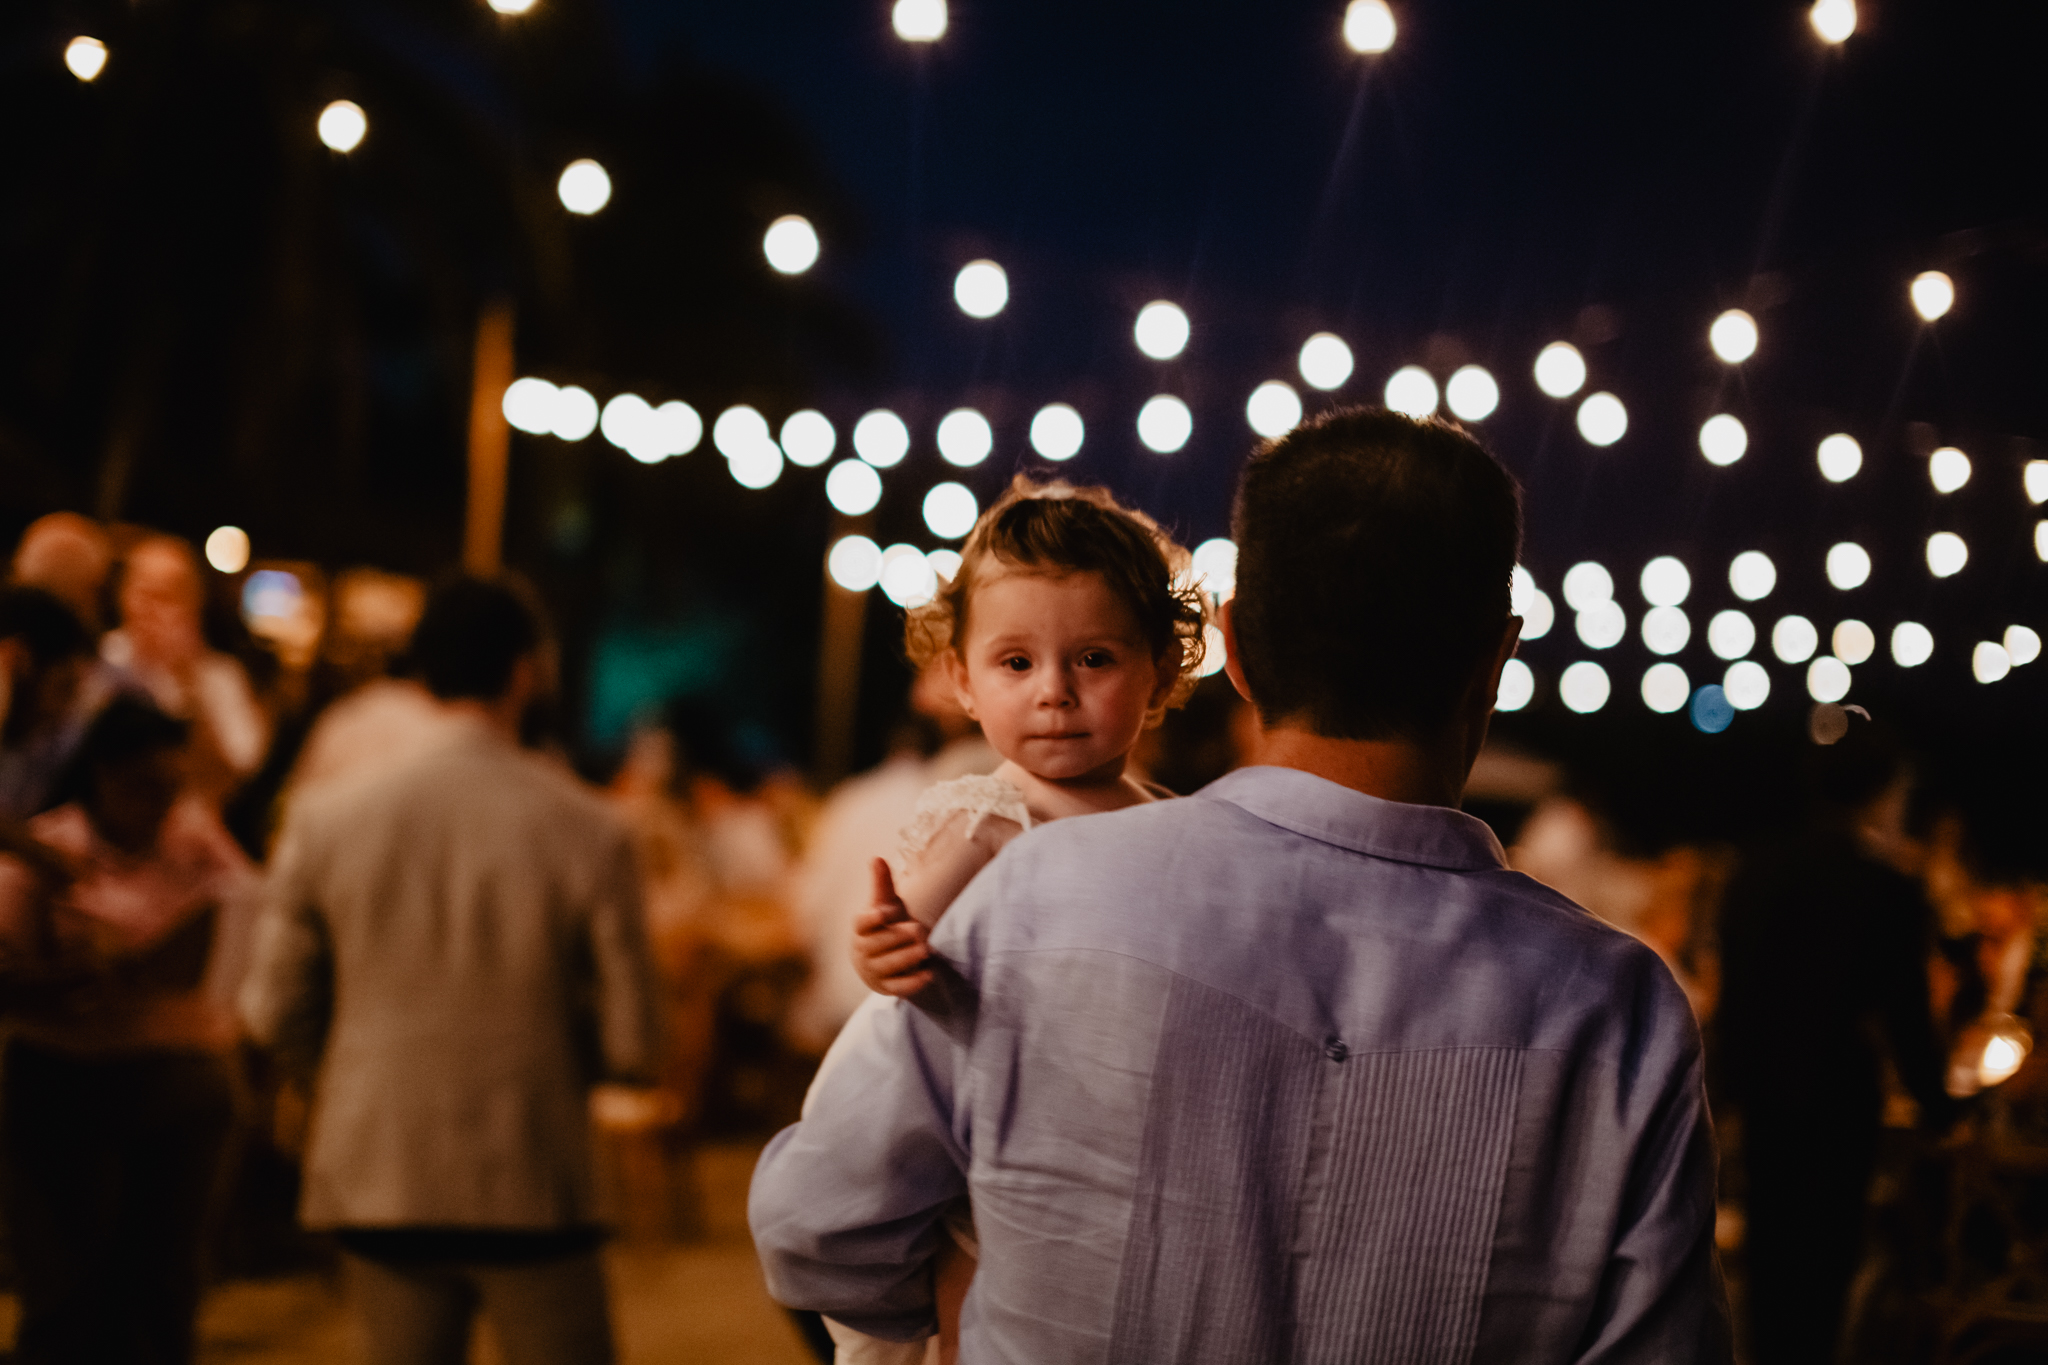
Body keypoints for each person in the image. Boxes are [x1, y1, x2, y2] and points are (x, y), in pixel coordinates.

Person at [751, 408, 1729, 1362]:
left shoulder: (1032, 897)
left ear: (1235, 645)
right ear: (1494, 660)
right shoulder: (1618, 1008)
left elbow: (818, 1228)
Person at [827, 478, 1206, 1364]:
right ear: (961, 676)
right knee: (979, 1316)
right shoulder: (988, 818)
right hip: (1007, 1141)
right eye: (1017, 662)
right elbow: (901, 947)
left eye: (1094, 659)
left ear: (1160, 665)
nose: (1055, 694)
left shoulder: (1169, 818)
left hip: (1127, 1133)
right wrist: (882, 949)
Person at [239, 575, 661, 1365]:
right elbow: (633, 1039)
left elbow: (269, 1007)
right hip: (534, 1171)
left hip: (379, 1160)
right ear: (526, 669)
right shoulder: (590, 827)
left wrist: (356, 1064)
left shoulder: (328, 817)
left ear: (419, 669)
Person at [0, 697, 257, 1365]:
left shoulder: (197, 843)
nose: (161, 806)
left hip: (182, 1086)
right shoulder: (48, 848)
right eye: (146, 787)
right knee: (68, 1293)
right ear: (103, 774)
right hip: (66, 1081)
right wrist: (82, 977)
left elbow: (249, 916)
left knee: (165, 1288)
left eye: (173, 789)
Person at [1716, 715, 1956, 1365]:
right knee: (1824, 1269)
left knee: (1768, 1266)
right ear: (1882, 792)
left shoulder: (1753, 872)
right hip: (1838, 1102)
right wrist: (1940, 1107)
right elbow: (1906, 1016)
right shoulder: (1886, 888)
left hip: (1764, 1095)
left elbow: (1734, 1001)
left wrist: (1718, 1096)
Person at [102, 534, 269, 799]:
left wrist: (189, 682)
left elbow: (238, 771)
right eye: (143, 592)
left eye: (167, 597)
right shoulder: (102, 660)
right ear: (122, 595)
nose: (151, 609)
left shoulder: (221, 677)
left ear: (194, 604)